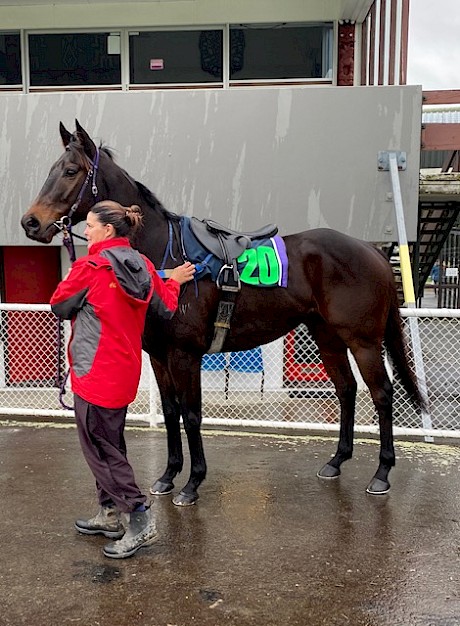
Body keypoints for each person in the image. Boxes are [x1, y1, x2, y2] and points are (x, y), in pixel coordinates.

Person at [50, 200, 195, 559]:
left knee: (102, 451)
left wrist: (75, 277)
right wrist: (173, 280)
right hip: (123, 374)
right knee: (110, 445)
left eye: (90, 225)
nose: (85, 231)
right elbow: (165, 308)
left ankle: (139, 519)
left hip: (94, 376)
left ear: (108, 231)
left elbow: (59, 305)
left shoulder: (89, 267)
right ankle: (109, 513)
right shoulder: (144, 265)